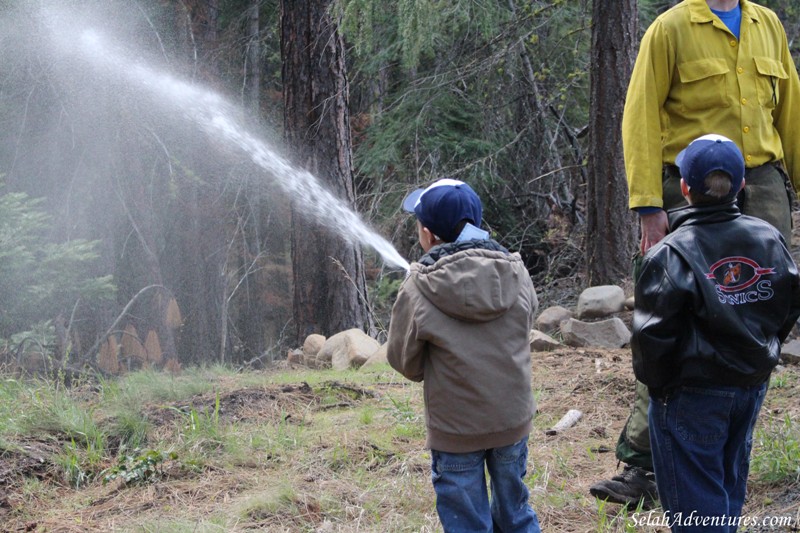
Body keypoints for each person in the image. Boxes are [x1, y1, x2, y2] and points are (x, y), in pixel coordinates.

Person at [590, 0, 800, 507]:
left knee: (758, 309)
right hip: (691, 192)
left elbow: (791, 111)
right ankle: (646, 465)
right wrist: (646, 205)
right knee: (671, 324)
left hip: (762, 184)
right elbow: (639, 113)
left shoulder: (766, 23)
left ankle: (730, 443)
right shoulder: (670, 29)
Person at [631, 134, 800, 531]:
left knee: (697, 507)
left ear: (685, 188)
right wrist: (765, 352)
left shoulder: (669, 253)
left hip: (690, 394)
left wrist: (663, 391)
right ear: (742, 185)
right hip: (748, 385)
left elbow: (651, 340)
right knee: (726, 486)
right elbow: (789, 303)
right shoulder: (769, 237)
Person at [386, 178, 541, 532]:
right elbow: (525, 324)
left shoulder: (418, 286)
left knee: (467, 523)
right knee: (516, 514)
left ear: (428, 234)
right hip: (512, 424)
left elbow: (405, 362)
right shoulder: (518, 270)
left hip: (455, 433)